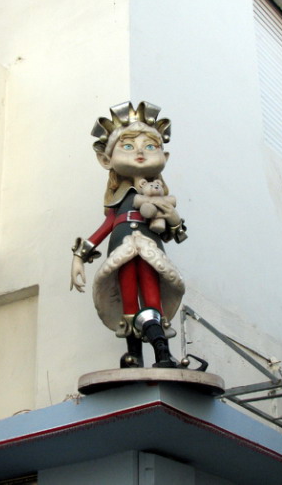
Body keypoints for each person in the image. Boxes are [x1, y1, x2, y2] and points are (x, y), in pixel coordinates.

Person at [70, 101, 187, 368]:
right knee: (128, 298)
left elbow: (177, 233)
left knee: (152, 296)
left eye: (150, 147)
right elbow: (105, 228)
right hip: (121, 251)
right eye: (128, 146)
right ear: (106, 159)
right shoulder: (119, 200)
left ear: (164, 157)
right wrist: (79, 257)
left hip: (149, 249)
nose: (141, 153)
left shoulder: (160, 198)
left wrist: (171, 218)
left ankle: (162, 352)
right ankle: (134, 354)